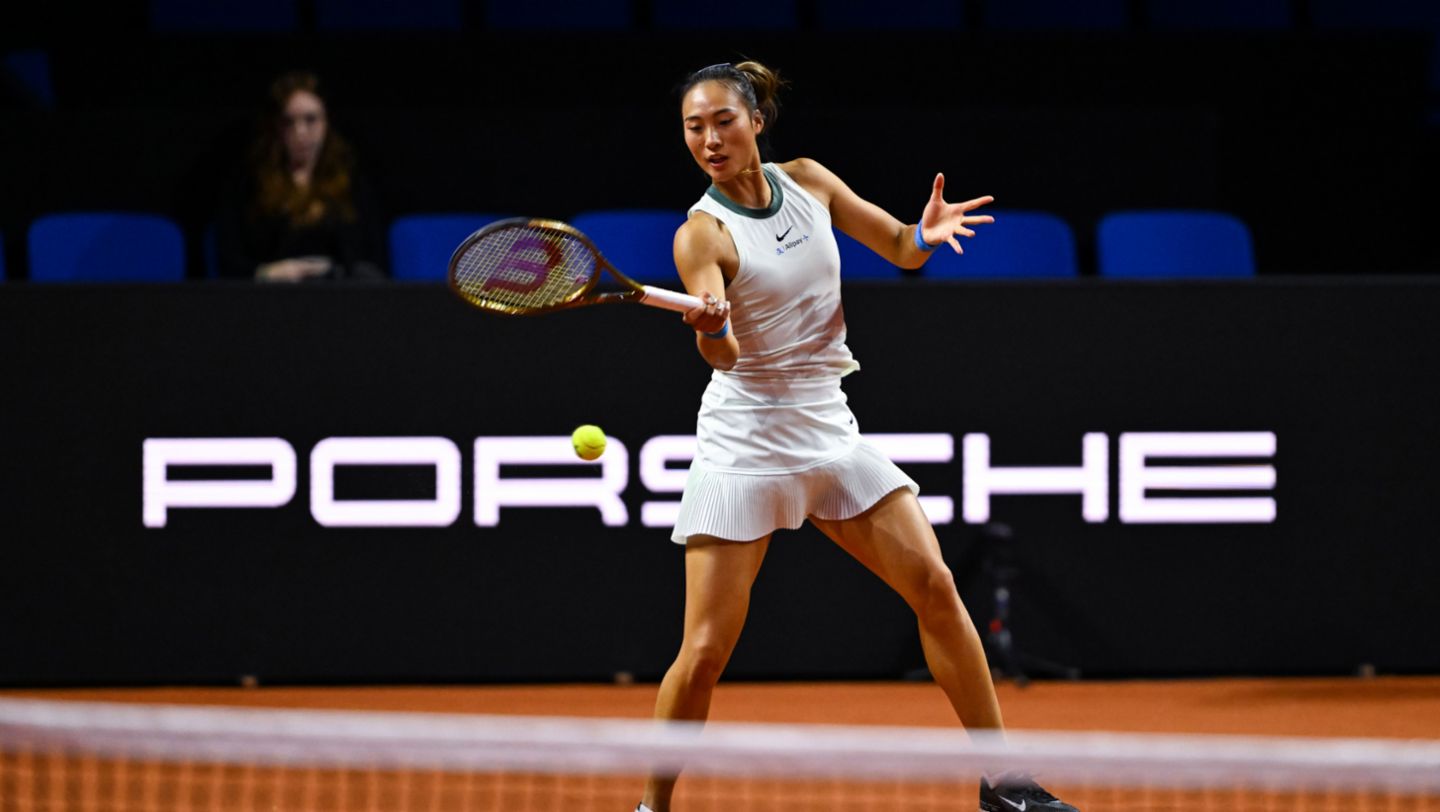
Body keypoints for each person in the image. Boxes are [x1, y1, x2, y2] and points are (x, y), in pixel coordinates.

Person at [637, 61, 1079, 812]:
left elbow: (903, 249)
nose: (708, 139)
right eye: (693, 126)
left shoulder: (808, 180)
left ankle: (1004, 784)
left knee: (936, 587)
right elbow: (725, 355)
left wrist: (926, 233)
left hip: (828, 429)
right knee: (706, 652)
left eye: (722, 121)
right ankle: (653, 807)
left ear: (756, 121)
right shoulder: (700, 235)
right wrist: (710, 328)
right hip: (746, 445)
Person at [215, 71, 385, 282]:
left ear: (326, 123)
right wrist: (270, 273)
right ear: (276, 127)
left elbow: (372, 261)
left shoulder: (351, 185)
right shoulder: (249, 185)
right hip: (270, 298)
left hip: (338, 297)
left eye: (311, 120)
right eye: (289, 122)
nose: (300, 132)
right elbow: (230, 262)